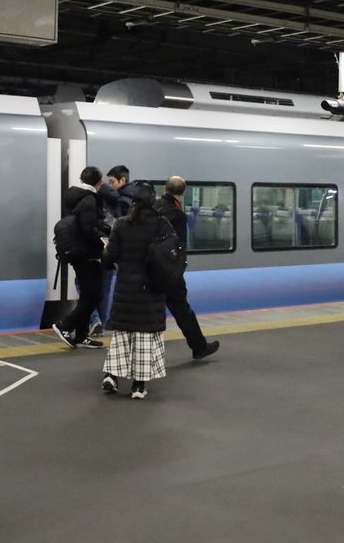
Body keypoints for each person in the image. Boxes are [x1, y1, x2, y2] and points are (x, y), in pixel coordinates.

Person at [100, 181, 168, 399]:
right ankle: (139, 386)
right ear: (153, 200)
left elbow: (109, 258)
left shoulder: (121, 224)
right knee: (145, 339)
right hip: (151, 289)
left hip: (126, 289)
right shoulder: (161, 224)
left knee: (122, 336)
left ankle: (112, 375)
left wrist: (107, 252)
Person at [155, 176, 220, 360]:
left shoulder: (154, 207)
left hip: (150, 269)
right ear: (183, 193)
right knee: (182, 309)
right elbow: (180, 246)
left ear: (163, 188)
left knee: (151, 311)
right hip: (168, 271)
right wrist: (178, 271)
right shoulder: (177, 214)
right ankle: (199, 347)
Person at [52, 166, 109, 349]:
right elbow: (88, 229)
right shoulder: (90, 200)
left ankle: (81, 335)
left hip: (79, 253)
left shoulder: (76, 197)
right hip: (87, 254)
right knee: (95, 295)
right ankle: (65, 325)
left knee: (88, 294)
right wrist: (103, 241)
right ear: (99, 182)